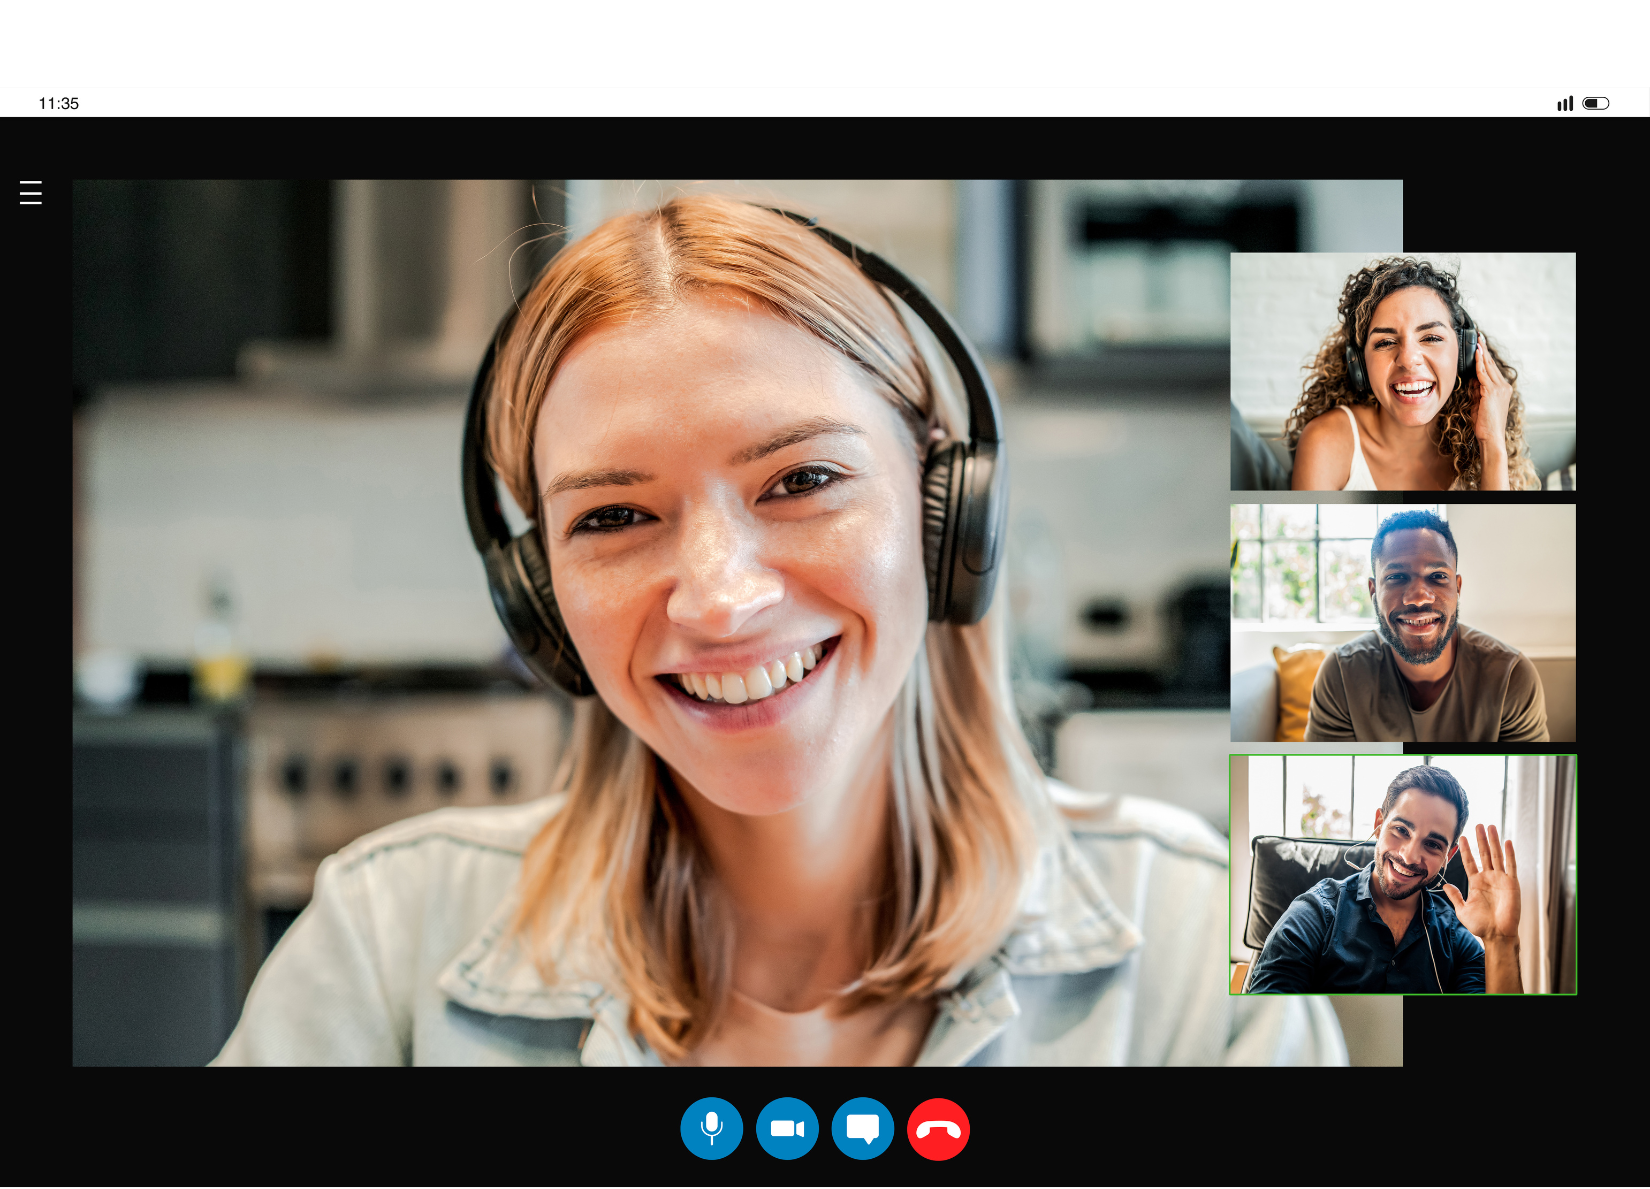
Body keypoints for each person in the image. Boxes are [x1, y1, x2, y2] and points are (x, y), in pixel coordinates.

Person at [214, 196, 1342, 1066]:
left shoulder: (1198, 938)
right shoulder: (382, 944)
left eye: (801, 478)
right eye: (611, 516)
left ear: (945, 513)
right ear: (537, 593)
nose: (718, 600)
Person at [1246, 765, 1523, 994]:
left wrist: (1501, 940)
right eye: (1401, 830)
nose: (1410, 855)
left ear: (1448, 855)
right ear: (1379, 824)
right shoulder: (1316, 914)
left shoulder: (1455, 937)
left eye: (1433, 845)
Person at [1286, 258, 1538, 491]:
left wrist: (1492, 445)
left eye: (1430, 338)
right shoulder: (1326, 441)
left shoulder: (1485, 437)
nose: (1408, 360)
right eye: (1385, 342)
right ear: (1360, 364)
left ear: (1464, 353)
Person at [1306, 509, 1549, 742]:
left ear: (1457, 587)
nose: (1419, 597)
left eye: (1438, 577)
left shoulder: (1511, 677)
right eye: (1396, 577)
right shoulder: (1340, 675)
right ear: (1373, 591)